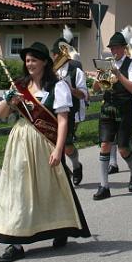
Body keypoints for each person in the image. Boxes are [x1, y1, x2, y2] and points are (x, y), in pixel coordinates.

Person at [0, 42, 90, 262]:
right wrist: (10, 100)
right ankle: (15, 241)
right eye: (27, 60)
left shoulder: (58, 87)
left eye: (34, 60)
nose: (29, 64)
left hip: (45, 143)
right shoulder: (18, 86)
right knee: (18, 188)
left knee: (50, 188)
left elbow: (63, 119)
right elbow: (1, 114)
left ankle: (60, 228)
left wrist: (59, 148)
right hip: (20, 142)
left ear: (44, 62)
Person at [92, 32, 132, 200]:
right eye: (112, 48)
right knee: (105, 144)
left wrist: (117, 73)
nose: (114, 50)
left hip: (124, 109)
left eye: (116, 47)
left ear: (123, 48)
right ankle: (104, 186)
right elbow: (96, 89)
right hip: (108, 108)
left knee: (123, 148)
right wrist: (99, 75)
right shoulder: (108, 63)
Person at [50, 37, 89, 185]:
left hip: (69, 111)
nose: (56, 57)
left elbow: (83, 94)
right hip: (51, 111)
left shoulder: (76, 71)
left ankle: (76, 165)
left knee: (67, 146)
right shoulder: (49, 71)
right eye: (55, 54)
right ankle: (62, 176)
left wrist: (69, 87)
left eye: (59, 54)